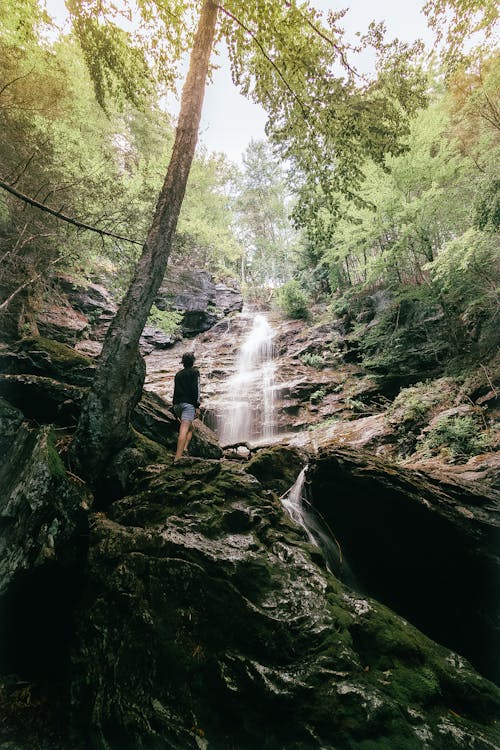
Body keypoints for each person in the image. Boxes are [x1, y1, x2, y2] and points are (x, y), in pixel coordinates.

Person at [172, 351, 200, 462]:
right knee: (183, 429)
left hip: (177, 405)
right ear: (193, 361)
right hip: (188, 405)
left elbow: (175, 391)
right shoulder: (195, 372)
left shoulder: (178, 374)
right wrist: (197, 406)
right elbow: (196, 389)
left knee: (191, 428)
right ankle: (177, 458)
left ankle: (184, 448)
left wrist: (174, 407)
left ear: (183, 362)